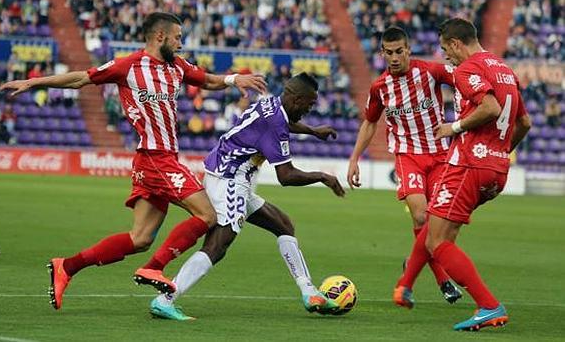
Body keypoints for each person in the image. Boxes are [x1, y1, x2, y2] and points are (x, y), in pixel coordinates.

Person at [1, 12, 267, 310]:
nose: (181, 43)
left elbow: (207, 81)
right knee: (208, 215)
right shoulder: (128, 65)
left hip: (153, 161)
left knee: (139, 237)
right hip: (156, 158)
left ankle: (67, 267)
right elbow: (81, 78)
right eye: (178, 37)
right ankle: (154, 267)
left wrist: (234, 79)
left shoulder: (176, 66)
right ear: (160, 36)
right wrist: (35, 82)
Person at [148, 73, 346, 320]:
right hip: (229, 179)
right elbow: (286, 176)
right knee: (218, 244)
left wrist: (313, 131)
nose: (310, 108)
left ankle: (309, 292)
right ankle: (165, 299)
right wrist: (323, 177)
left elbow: (284, 124)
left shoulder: (271, 104)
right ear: (297, 99)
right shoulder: (275, 121)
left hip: (230, 174)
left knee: (283, 225)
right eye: (310, 103)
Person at [397, 18, 531, 331]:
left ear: (457, 43)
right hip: (497, 170)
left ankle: (489, 305)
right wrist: (499, 151)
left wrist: (452, 128)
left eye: (447, 50)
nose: (447, 57)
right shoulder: (504, 69)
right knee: (436, 227)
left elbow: (489, 108)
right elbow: (524, 123)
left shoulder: (469, 68)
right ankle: (405, 285)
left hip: (468, 165)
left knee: (438, 242)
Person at [345, 26, 461, 304]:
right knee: (421, 217)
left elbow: (464, 79)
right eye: (389, 53)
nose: (395, 57)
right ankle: (443, 280)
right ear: (382, 54)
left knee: (440, 227)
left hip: (441, 155)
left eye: (399, 51)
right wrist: (354, 159)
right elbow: (370, 122)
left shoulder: (431, 72)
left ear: (408, 49)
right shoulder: (380, 87)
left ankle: (414, 262)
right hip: (408, 156)